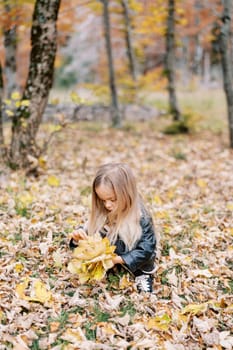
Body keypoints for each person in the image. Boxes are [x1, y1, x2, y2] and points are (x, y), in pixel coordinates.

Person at [69, 162, 157, 293]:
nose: (107, 205)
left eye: (112, 199)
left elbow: (146, 249)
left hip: (134, 254)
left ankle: (143, 274)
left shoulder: (141, 216)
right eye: (103, 200)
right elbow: (89, 230)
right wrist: (78, 239)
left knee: (143, 260)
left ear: (127, 194)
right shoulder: (103, 211)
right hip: (111, 252)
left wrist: (119, 260)